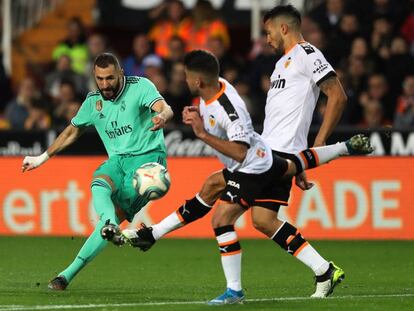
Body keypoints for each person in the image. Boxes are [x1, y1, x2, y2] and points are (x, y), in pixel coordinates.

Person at [103, 50, 372, 304]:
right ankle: (324, 268)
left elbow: (241, 152)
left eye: (186, 76)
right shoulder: (212, 89)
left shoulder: (227, 109)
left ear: (196, 80)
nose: (184, 80)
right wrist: (200, 118)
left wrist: (203, 133)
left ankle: (232, 289)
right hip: (264, 158)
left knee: (222, 219)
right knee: (270, 199)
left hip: (251, 168)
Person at [21, 52, 173, 290]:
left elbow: (165, 107)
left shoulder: (141, 86)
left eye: (110, 78)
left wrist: (162, 116)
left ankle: (66, 275)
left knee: (112, 215)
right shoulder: (93, 102)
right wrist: (42, 158)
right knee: (99, 181)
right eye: (100, 79)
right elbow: (72, 131)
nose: (105, 84)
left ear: (120, 73)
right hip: (117, 161)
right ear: (94, 76)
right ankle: (110, 224)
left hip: (147, 163)